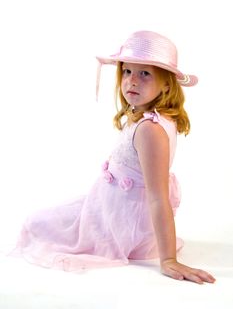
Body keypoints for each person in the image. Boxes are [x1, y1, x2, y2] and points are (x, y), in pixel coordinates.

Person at [11, 30, 215, 284]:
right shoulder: (146, 116)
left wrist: (168, 259)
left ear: (166, 83)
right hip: (111, 205)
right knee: (45, 221)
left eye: (145, 73)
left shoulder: (150, 130)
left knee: (38, 224)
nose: (132, 81)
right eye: (127, 71)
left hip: (123, 220)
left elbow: (158, 196)